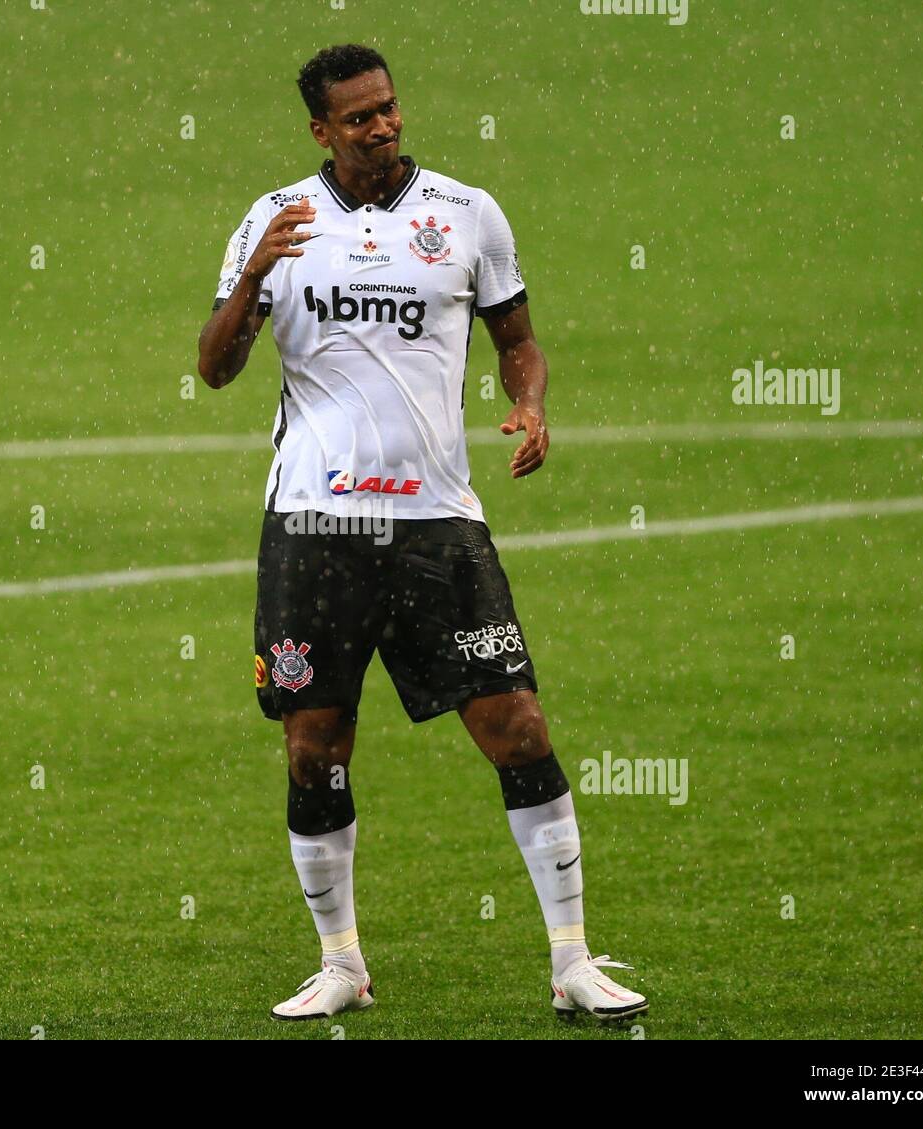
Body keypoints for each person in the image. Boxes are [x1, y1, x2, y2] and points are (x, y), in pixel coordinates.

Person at [197, 43, 647, 1024]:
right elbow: (215, 365)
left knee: (517, 726)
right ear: (320, 130)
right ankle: (341, 963)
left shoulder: (464, 213)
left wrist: (530, 406)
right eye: (357, 118)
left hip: (436, 523)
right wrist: (252, 279)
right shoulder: (276, 222)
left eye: (389, 109)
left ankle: (571, 959)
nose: (383, 127)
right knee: (315, 746)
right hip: (312, 524)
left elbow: (517, 342)